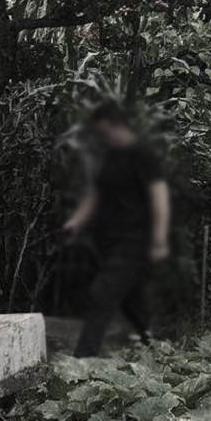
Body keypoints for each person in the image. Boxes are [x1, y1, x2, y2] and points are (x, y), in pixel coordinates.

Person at [61, 101, 171, 357]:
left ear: (116, 125)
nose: (99, 140)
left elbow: (159, 197)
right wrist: (76, 222)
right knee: (136, 306)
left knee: (101, 294)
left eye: (101, 133)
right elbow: (96, 194)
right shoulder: (111, 157)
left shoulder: (142, 156)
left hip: (135, 242)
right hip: (111, 243)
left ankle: (81, 362)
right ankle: (164, 352)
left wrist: (159, 241)